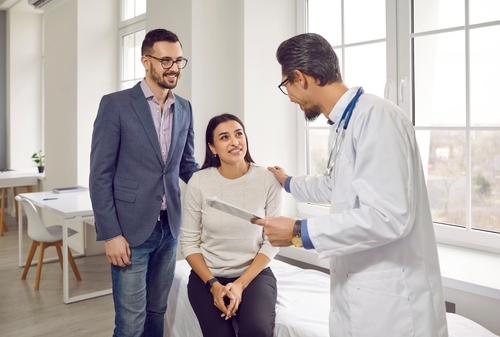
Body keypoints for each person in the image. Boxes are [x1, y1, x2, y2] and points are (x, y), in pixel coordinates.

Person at [252, 33, 449, 337]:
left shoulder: (375, 117)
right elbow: (336, 186)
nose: (289, 96)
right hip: (360, 293)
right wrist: (289, 182)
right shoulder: (344, 124)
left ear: (301, 78)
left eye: (286, 86)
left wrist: (297, 231)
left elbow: (389, 216)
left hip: (393, 304)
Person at [89, 28, 199, 337]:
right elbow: (100, 174)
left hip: (169, 228)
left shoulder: (185, 108)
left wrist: (230, 178)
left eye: (178, 60)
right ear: (145, 61)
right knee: (131, 323)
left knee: (157, 313)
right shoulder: (116, 104)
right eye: (165, 60)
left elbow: (186, 165)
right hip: (129, 232)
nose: (173, 67)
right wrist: (110, 233)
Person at [180, 113, 282, 337]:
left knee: (256, 330)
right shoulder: (199, 182)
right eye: (224, 137)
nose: (235, 142)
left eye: (238, 134)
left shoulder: (268, 180)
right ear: (213, 148)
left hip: (253, 275)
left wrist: (240, 284)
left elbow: (271, 242)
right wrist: (214, 286)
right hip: (207, 277)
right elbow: (188, 242)